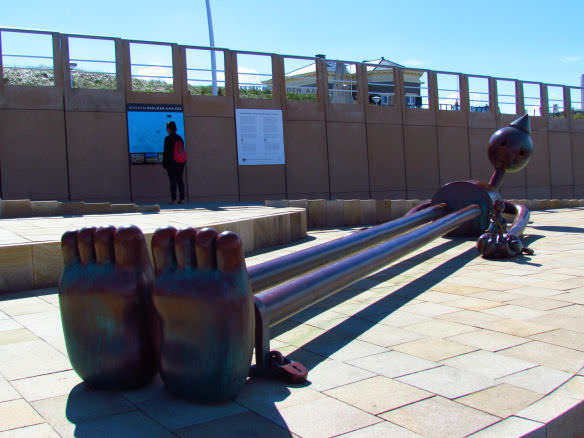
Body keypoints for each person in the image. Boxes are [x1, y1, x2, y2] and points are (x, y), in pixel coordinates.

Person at [162, 121, 186, 204]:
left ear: (168, 129)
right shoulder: (180, 138)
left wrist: (165, 164)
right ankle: (182, 198)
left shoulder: (168, 139)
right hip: (181, 162)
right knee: (180, 180)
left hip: (172, 163)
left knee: (173, 180)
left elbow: (166, 152)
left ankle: (174, 199)